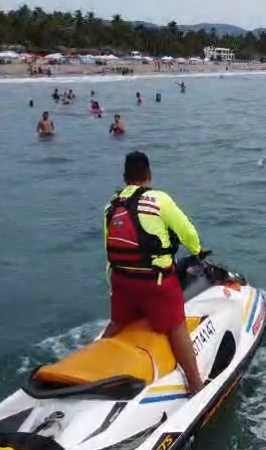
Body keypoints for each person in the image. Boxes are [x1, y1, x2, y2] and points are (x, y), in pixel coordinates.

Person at [102, 151, 205, 394]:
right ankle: (196, 384)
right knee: (176, 326)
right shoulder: (159, 200)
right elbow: (187, 232)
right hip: (155, 284)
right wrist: (198, 250)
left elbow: (109, 246)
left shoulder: (110, 206)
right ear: (149, 174)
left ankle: (94, 358)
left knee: (117, 322)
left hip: (121, 282)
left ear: (125, 177)